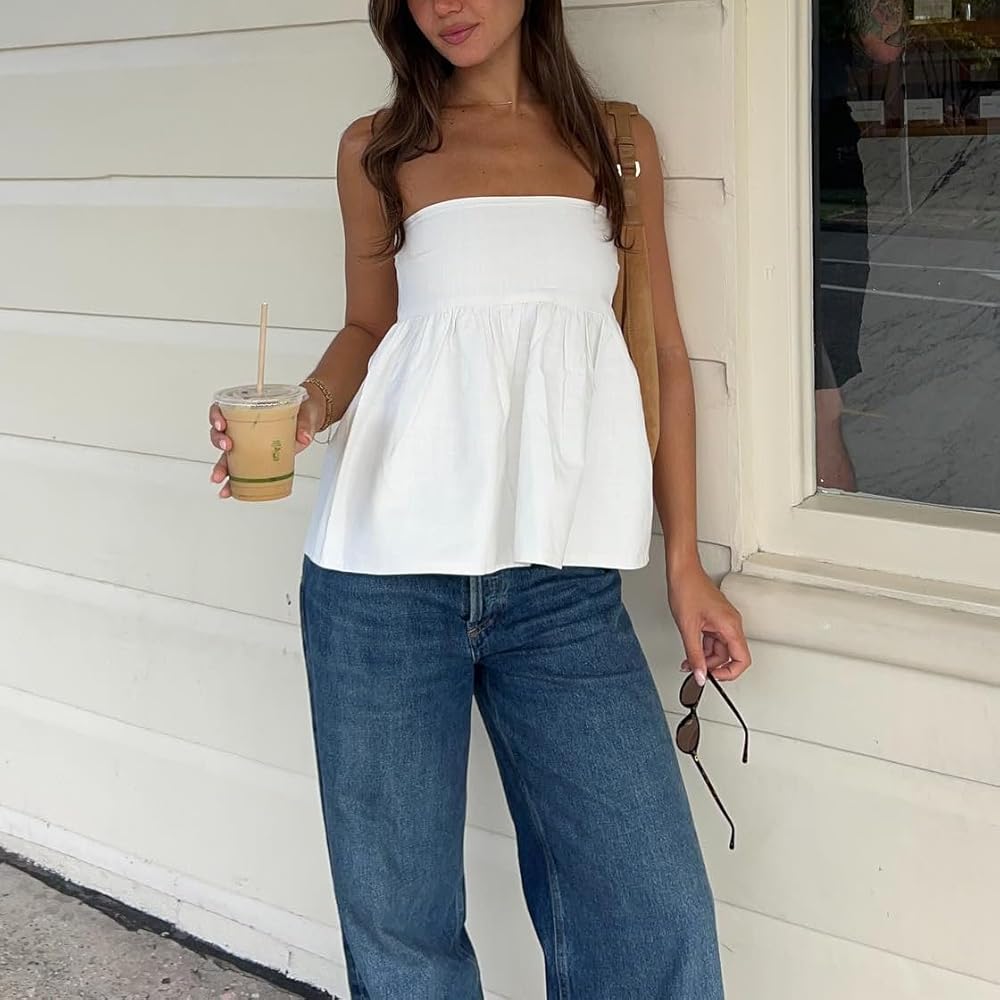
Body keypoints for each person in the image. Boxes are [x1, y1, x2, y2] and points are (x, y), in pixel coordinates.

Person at [209, 1, 752, 996]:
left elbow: (666, 356)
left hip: (563, 588)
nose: (445, 6)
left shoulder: (617, 144)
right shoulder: (376, 149)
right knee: (404, 933)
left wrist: (685, 564)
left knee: (651, 914)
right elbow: (369, 328)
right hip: (381, 581)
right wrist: (308, 406)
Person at [814, 0, 906, 491]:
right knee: (817, 394)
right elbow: (885, 46)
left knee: (819, 389)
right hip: (810, 153)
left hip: (816, 155)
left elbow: (884, 47)